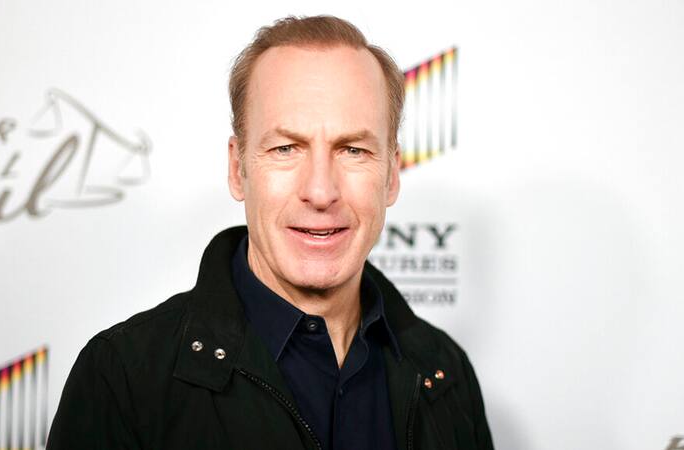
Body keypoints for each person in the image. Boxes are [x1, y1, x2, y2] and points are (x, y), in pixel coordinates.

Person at [46, 15, 493, 450]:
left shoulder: (444, 371)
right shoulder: (124, 378)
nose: (321, 191)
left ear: (391, 175)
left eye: (353, 150)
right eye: (286, 148)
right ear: (237, 169)